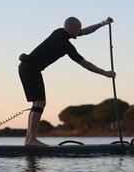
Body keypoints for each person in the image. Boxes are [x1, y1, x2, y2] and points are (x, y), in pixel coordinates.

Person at [19, 16, 116, 146]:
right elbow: (85, 64)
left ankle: (29, 140)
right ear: (70, 28)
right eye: (78, 28)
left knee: (37, 104)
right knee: (40, 103)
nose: (79, 31)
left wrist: (102, 23)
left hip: (28, 68)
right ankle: (31, 140)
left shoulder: (61, 33)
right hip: (30, 69)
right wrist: (105, 73)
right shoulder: (63, 42)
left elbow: (85, 31)